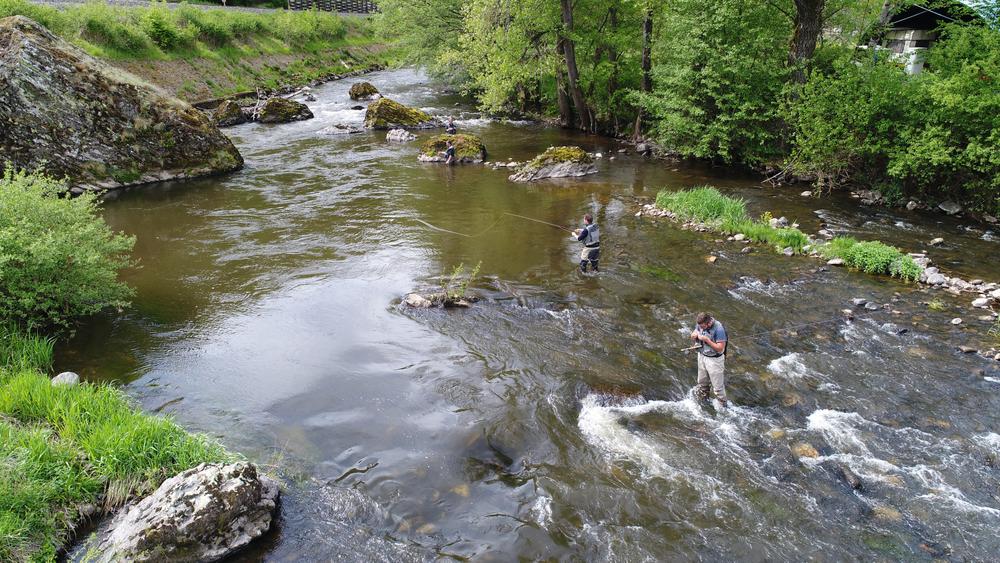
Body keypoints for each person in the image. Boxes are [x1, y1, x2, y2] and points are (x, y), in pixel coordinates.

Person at [690, 312, 728, 407]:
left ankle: (723, 407)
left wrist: (707, 340)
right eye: (700, 326)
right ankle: (703, 402)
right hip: (702, 356)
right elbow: (696, 330)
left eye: (703, 327)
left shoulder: (719, 329)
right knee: (702, 383)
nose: (701, 328)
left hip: (714, 360)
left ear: (709, 323)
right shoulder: (700, 323)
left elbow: (720, 348)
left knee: (718, 388)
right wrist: (694, 334)